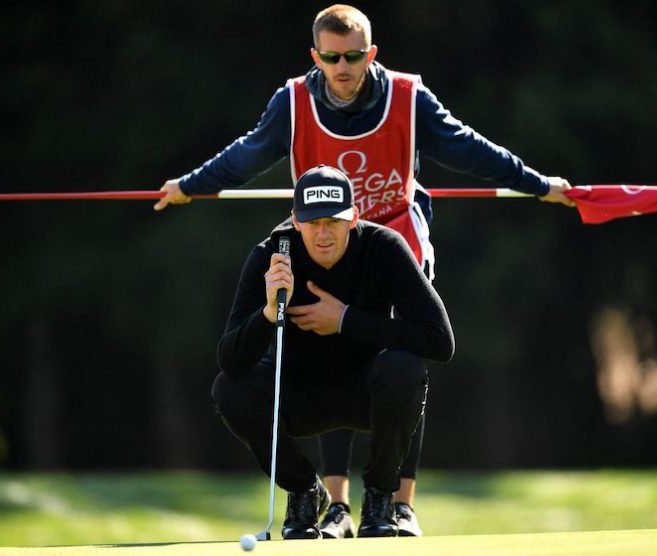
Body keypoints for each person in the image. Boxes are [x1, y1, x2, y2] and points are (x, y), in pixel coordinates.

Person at [155, 3, 573, 537]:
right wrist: (191, 184)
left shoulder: (407, 96)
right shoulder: (293, 101)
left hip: (392, 238)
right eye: (332, 57)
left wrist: (537, 183)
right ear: (317, 57)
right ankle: (333, 507)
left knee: (394, 355)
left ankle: (396, 503)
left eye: (353, 55)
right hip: (319, 236)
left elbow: (468, 148)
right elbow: (250, 153)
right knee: (325, 344)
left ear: (371, 52)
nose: (343, 66)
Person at [211, 165, 454, 539]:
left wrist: (345, 319)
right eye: (312, 223)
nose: (323, 234)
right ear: (295, 220)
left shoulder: (384, 247)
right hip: (299, 394)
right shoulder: (271, 255)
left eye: (333, 222)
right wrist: (267, 312)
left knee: (404, 367)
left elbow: (440, 340)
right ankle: (305, 490)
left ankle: (379, 496)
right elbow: (230, 361)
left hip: (367, 392)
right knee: (229, 389)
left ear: (353, 217)